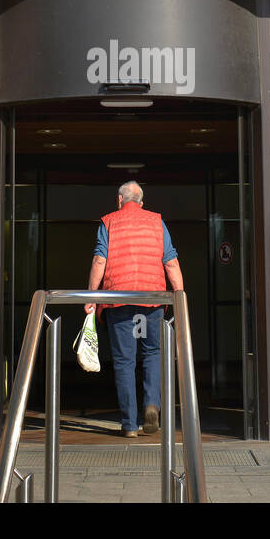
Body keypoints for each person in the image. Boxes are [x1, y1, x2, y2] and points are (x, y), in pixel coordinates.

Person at [84, 180, 184, 437]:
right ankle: (152, 404)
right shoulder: (156, 221)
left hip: (119, 300)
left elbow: (99, 260)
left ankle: (129, 424)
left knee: (124, 361)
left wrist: (92, 295)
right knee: (152, 353)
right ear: (141, 202)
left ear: (119, 200)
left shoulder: (109, 221)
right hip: (151, 300)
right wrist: (179, 297)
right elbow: (171, 261)